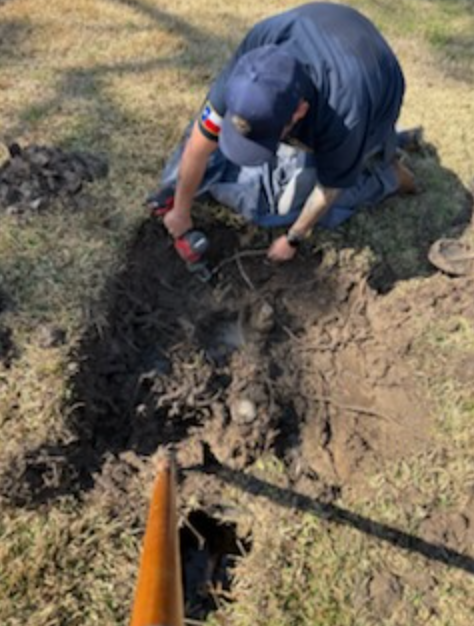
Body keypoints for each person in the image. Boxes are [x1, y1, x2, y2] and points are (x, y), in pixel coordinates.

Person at [148, 2, 417, 262]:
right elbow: (200, 139)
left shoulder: (344, 115)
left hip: (376, 93)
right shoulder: (254, 58)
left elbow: (328, 190)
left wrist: (293, 238)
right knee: (193, 154)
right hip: (324, 25)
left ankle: (388, 175)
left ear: (299, 112)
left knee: (286, 208)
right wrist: (181, 210)